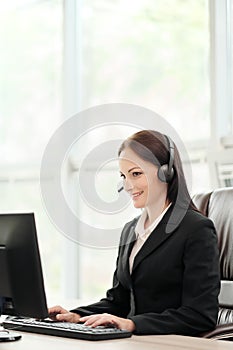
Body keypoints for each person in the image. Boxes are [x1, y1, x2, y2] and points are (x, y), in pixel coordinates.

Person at [49, 130, 220, 336]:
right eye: (123, 175)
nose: (127, 185)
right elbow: (118, 301)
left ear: (165, 172)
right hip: (132, 343)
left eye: (136, 174)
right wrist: (76, 317)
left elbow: (200, 315)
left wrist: (132, 324)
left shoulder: (196, 229)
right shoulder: (130, 230)